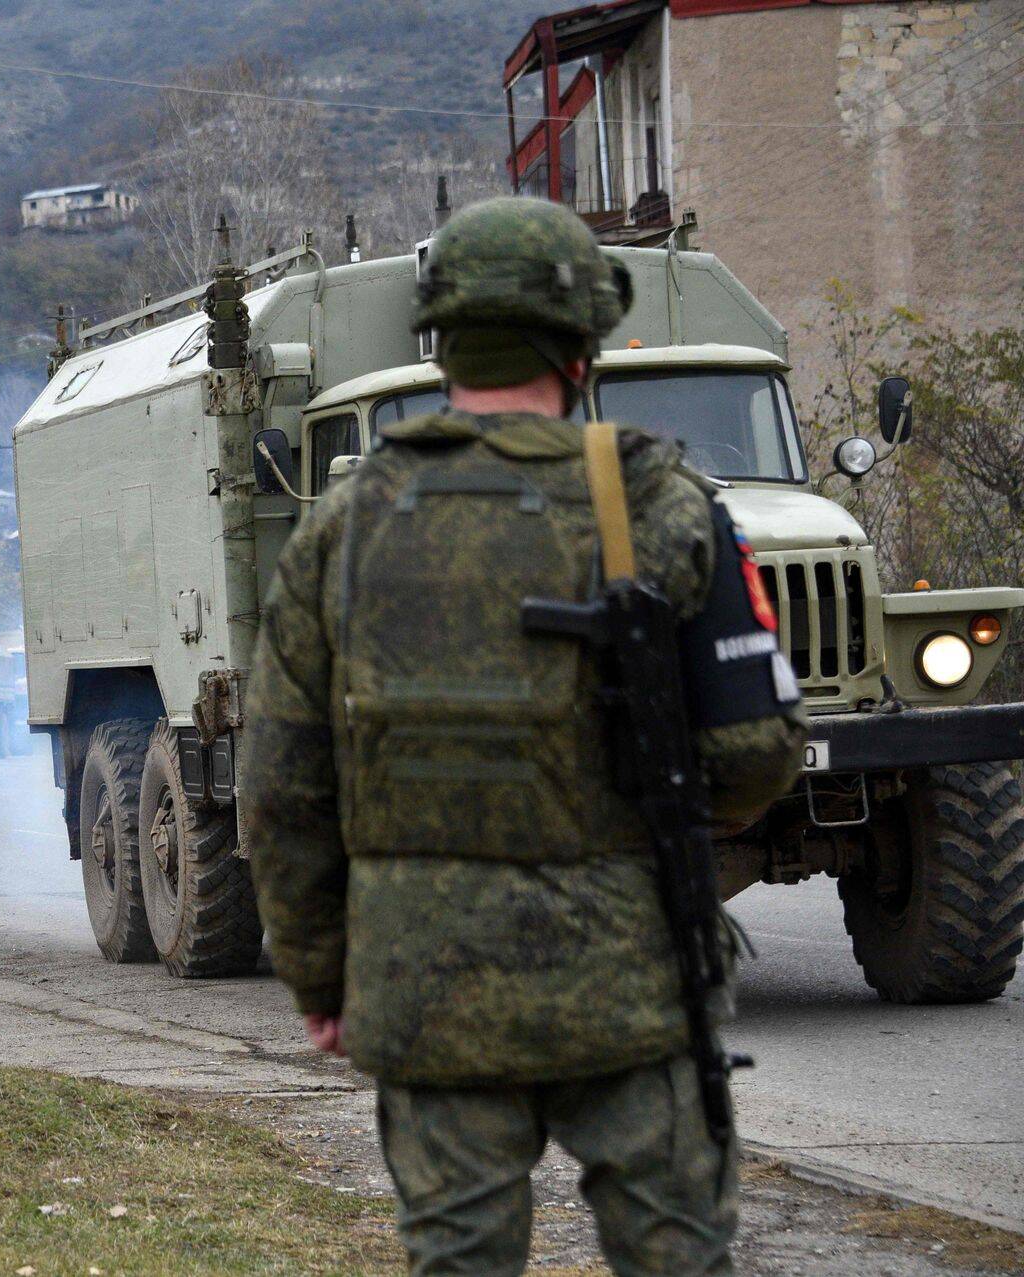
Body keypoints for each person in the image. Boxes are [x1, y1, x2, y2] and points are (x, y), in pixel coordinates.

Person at [244, 196, 806, 1276]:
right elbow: (753, 756)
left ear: (439, 336)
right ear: (585, 341)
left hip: (425, 987)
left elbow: (281, 787)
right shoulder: (666, 504)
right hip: (632, 984)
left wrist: (322, 981)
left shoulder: (341, 528)